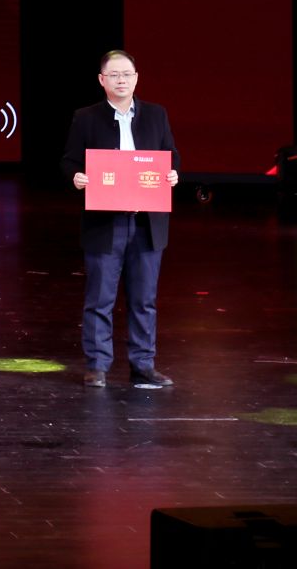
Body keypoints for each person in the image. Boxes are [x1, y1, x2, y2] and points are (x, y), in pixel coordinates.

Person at [61, 49, 181, 390]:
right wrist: (76, 177)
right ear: (102, 80)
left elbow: (171, 157)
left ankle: (143, 364)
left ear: (136, 78)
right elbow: (69, 161)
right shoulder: (86, 117)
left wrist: (173, 174)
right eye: (113, 75)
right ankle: (97, 365)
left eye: (127, 74)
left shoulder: (156, 115)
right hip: (105, 222)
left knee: (144, 299)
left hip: (147, 222)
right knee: (100, 298)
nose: (121, 80)